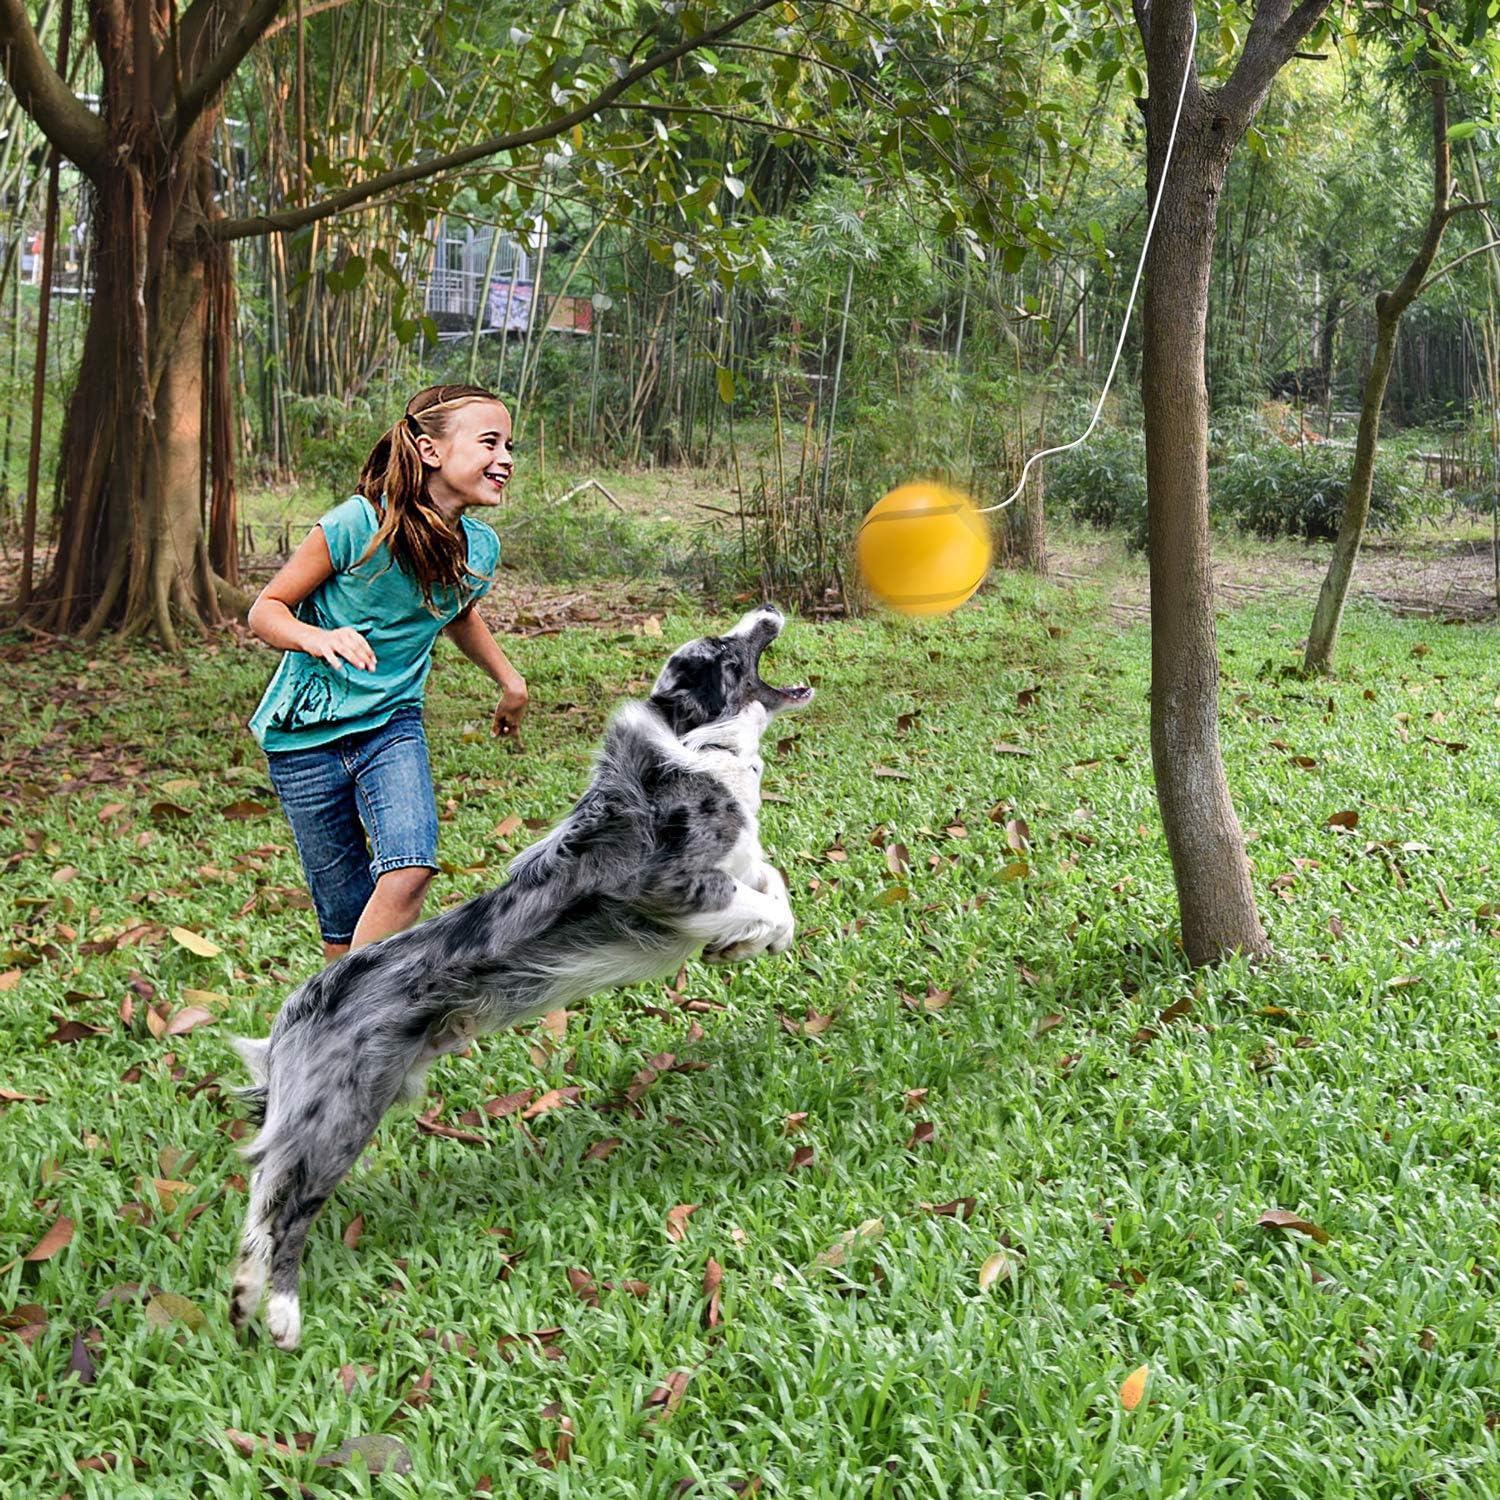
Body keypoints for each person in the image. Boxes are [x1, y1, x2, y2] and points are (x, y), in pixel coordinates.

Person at [247, 383, 529, 963]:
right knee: (341, 926)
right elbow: (266, 610)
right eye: (489, 443)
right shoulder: (357, 522)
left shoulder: (479, 547)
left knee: (411, 869)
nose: (505, 459)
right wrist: (318, 637)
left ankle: (354, 1006)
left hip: (390, 727)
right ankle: (341, 1038)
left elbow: (456, 612)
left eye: (509, 445)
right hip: (302, 739)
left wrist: (509, 680)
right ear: (430, 451)